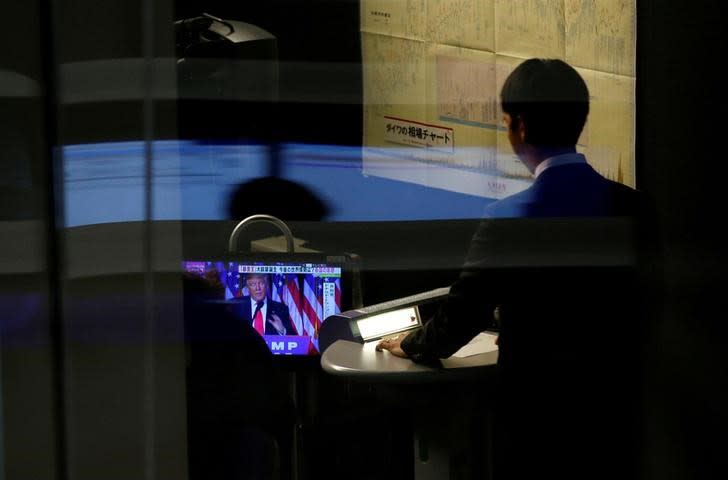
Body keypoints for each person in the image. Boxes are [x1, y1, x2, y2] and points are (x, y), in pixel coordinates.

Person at [377, 58, 654, 480]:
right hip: (615, 416)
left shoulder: (510, 218)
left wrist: (412, 344)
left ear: (520, 126)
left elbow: (460, 317)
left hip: (535, 423)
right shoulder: (632, 206)